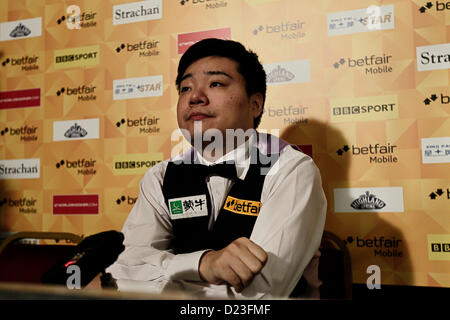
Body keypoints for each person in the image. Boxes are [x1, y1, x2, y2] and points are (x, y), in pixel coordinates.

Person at [106, 38, 327, 299]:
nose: (195, 97)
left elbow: (260, 295)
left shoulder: (290, 170)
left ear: (255, 104)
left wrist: (162, 278)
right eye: (186, 88)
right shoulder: (162, 176)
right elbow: (121, 273)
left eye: (216, 84)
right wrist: (202, 264)